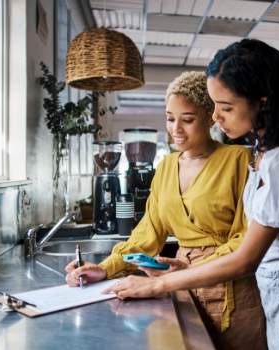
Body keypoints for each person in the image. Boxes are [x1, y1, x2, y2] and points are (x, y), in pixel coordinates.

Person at [96, 39, 279, 350]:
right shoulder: (267, 150)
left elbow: (246, 258)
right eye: (214, 105)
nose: (216, 117)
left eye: (226, 107)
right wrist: (185, 268)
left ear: (263, 102)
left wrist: (161, 283)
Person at [65, 71, 267, 350]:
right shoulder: (166, 167)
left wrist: (194, 268)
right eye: (171, 118)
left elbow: (246, 237)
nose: (176, 129)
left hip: (230, 285)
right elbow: (147, 234)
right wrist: (104, 267)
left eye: (187, 119)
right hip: (179, 287)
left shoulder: (239, 160)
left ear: (211, 116)